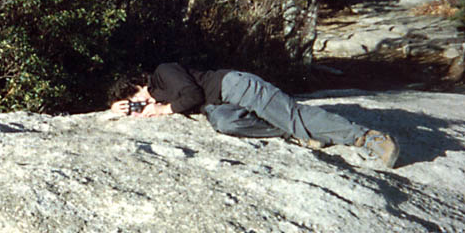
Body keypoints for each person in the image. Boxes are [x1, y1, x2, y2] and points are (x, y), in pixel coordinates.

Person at [108, 63, 399, 168]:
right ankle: (292, 134)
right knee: (225, 123)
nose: (138, 104)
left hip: (234, 86)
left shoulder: (163, 72)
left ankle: (368, 137)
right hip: (218, 106)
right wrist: (115, 110)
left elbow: (192, 95)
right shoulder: (154, 95)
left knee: (294, 116)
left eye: (133, 98)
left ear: (137, 85)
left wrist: (161, 108)